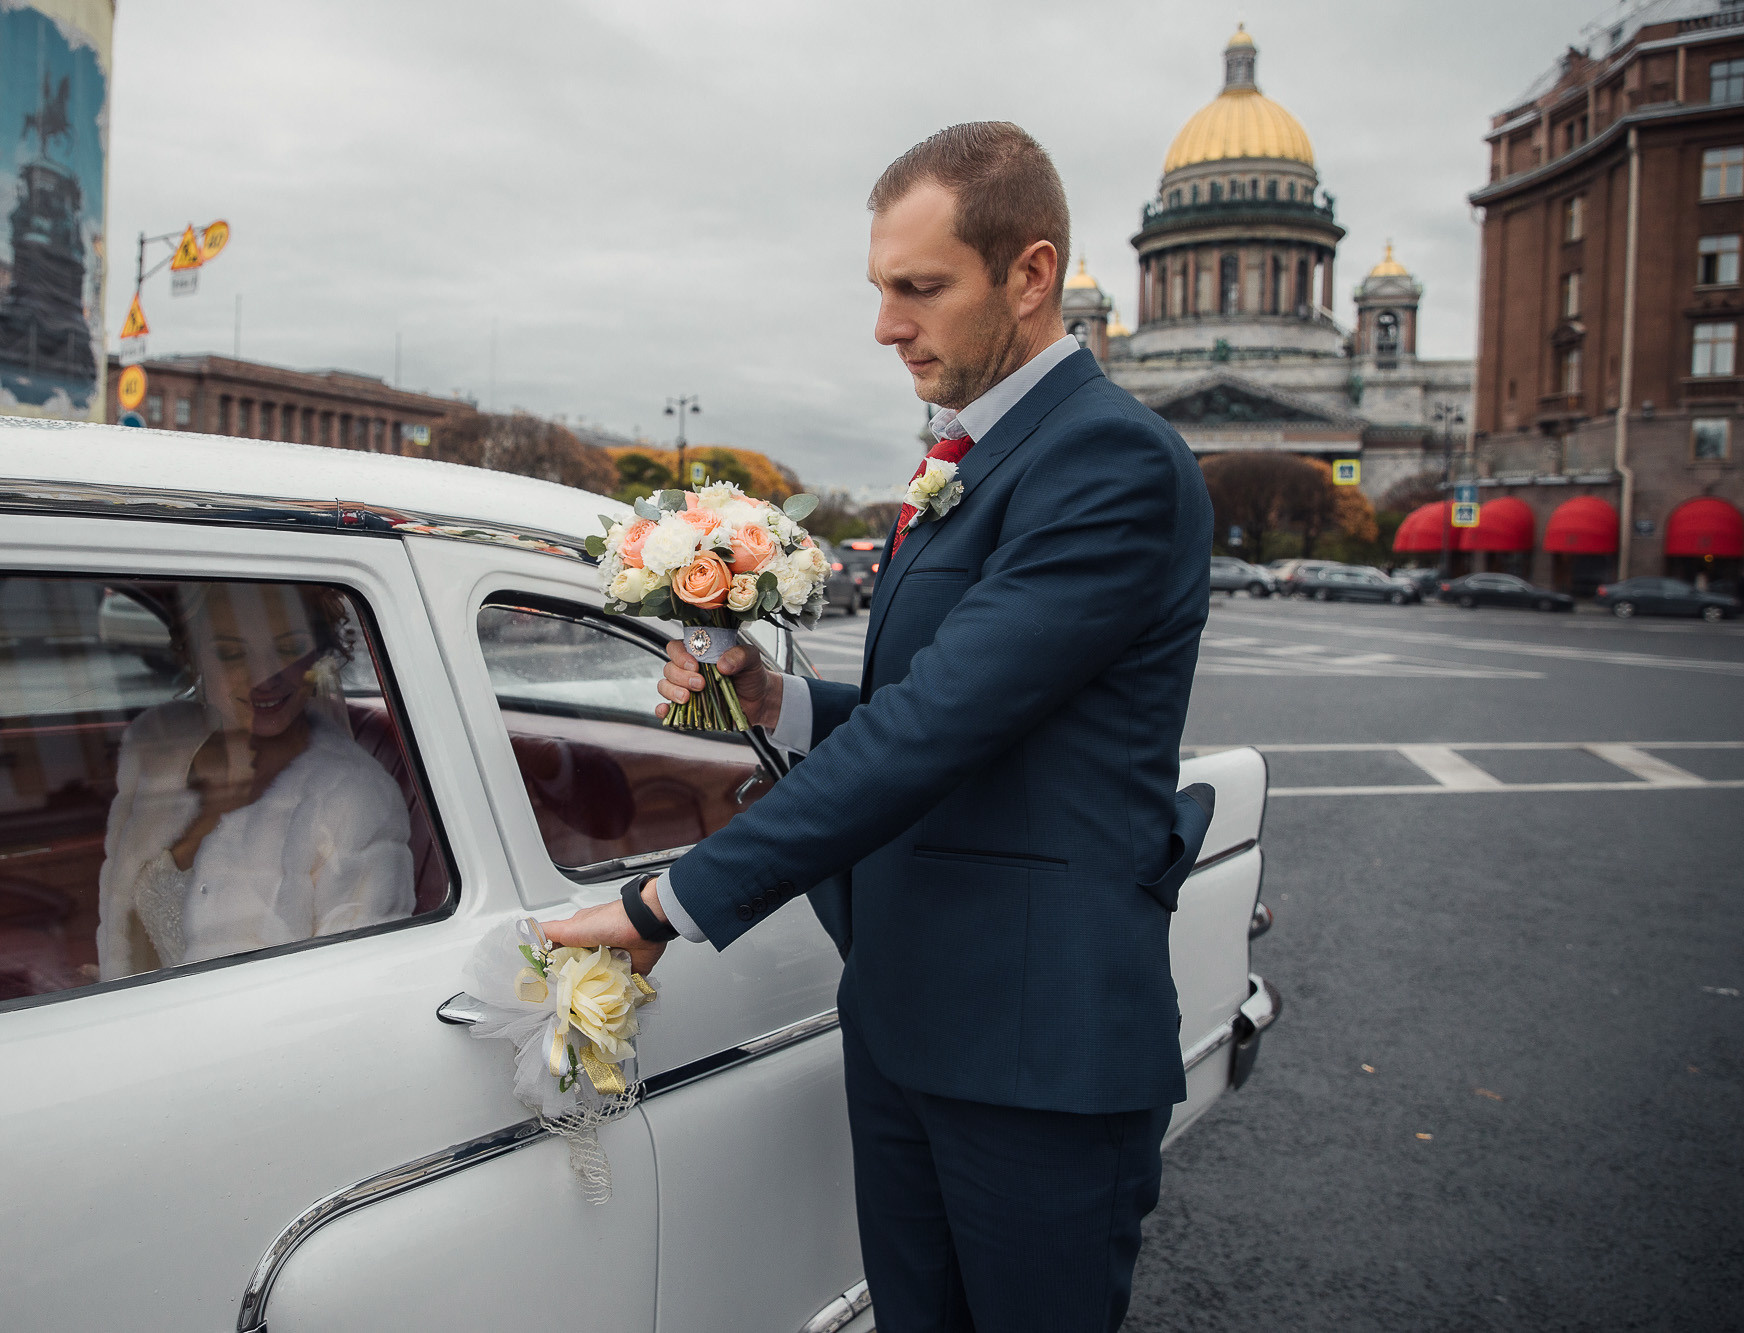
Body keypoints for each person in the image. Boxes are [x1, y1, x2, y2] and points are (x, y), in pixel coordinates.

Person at [546, 123, 1214, 1332]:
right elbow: (952, 711)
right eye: (879, 290)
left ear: (1029, 274)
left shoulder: (1108, 460)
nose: (885, 327)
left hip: (1036, 1051)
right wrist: (780, 702)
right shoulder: (967, 457)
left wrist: (666, 905)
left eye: (920, 289)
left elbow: (935, 729)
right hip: (909, 1021)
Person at [96, 582, 417, 980]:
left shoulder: (353, 799)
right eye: (231, 653)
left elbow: (358, 986)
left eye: (287, 649)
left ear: (317, 654)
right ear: (193, 657)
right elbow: (128, 937)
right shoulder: (159, 753)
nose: (265, 676)